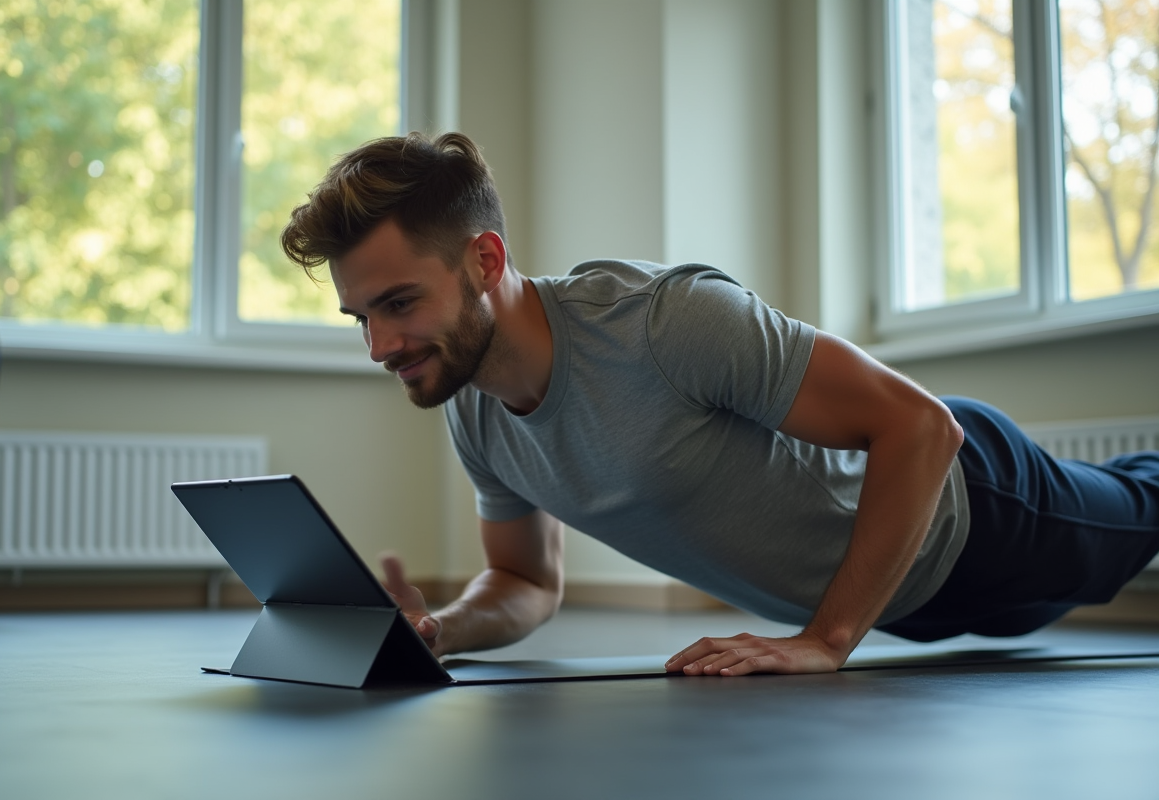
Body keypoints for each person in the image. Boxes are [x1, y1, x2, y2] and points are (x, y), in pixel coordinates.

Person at [280, 131, 1159, 676]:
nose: (381, 347)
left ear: (484, 261)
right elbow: (524, 581)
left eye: (400, 305)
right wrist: (439, 629)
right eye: (362, 318)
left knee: (1144, 511)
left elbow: (921, 427)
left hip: (979, 515)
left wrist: (826, 639)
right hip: (908, 605)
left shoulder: (662, 320)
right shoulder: (474, 409)